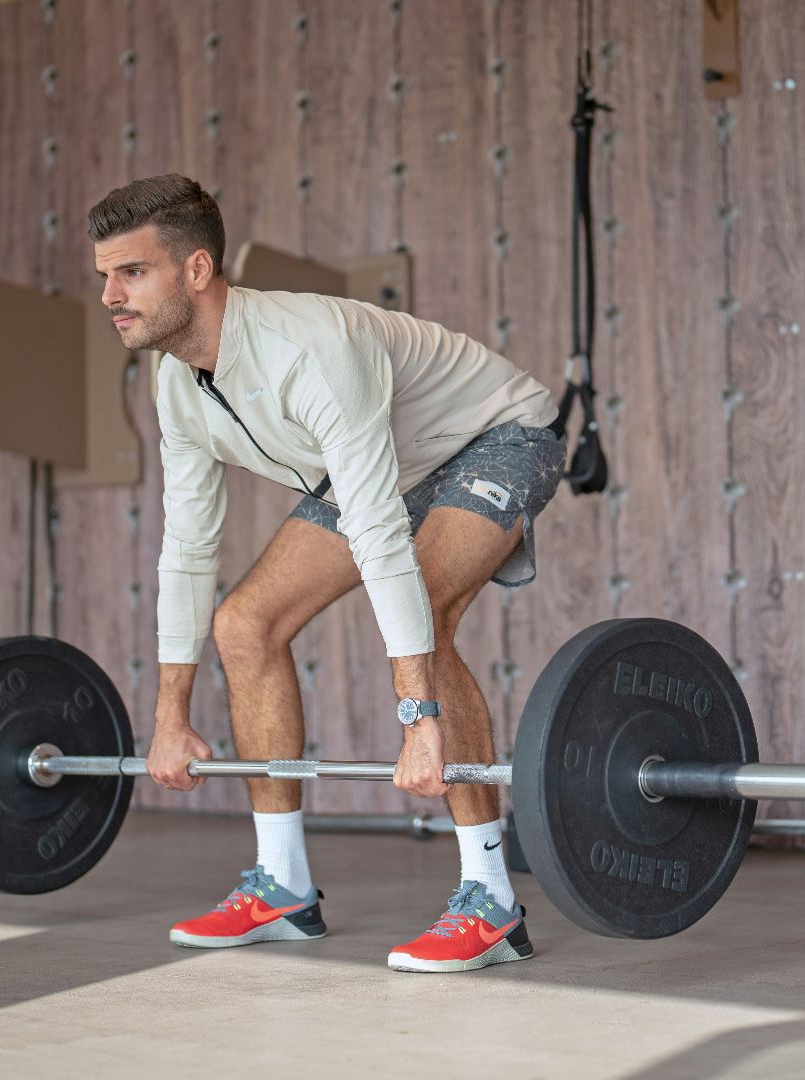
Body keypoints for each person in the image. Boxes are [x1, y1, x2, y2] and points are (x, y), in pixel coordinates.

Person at [91, 174, 563, 973]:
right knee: (246, 622)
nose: (109, 294)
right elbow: (187, 549)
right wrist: (169, 715)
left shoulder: (309, 350)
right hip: (382, 464)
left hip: (494, 436)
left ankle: (491, 900)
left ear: (197, 271)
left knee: (429, 598)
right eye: (104, 274)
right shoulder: (178, 384)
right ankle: (283, 885)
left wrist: (420, 717)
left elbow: (378, 531)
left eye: (131, 272)